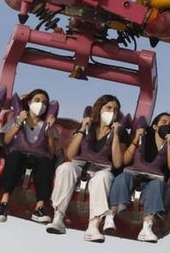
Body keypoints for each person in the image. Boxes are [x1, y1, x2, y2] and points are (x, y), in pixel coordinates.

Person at [46, 94, 126, 242]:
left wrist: (115, 135)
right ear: (100, 108)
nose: (112, 112)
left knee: (104, 178)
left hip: (101, 170)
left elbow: (117, 163)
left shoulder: (120, 133)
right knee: (65, 168)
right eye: (109, 108)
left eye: (115, 110)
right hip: (80, 165)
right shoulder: (88, 127)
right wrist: (83, 128)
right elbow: (70, 153)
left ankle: (93, 225)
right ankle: (58, 216)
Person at [108, 111, 170, 243]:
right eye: (164, 122)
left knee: (157, 186)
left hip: (154, 181)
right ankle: (111, 214)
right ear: (155, 126)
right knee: (123, 178)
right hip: (134, 175)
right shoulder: (145, 139)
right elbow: (125, 160)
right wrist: (136, 139)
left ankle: (147, 226)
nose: (167, 125)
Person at [0, 88, 58, 224]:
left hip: (39, 157)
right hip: (20, 154)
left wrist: (50, 131)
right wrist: (18, 123)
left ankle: (39, 207)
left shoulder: (46, 125)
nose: (40, 104)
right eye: (37, 100)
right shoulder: (17, 119)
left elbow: (52, 151)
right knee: (15, 156)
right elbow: (6, 140)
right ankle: (4, 202)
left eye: (44, 102)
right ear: (29, 102)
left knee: (46, 163)